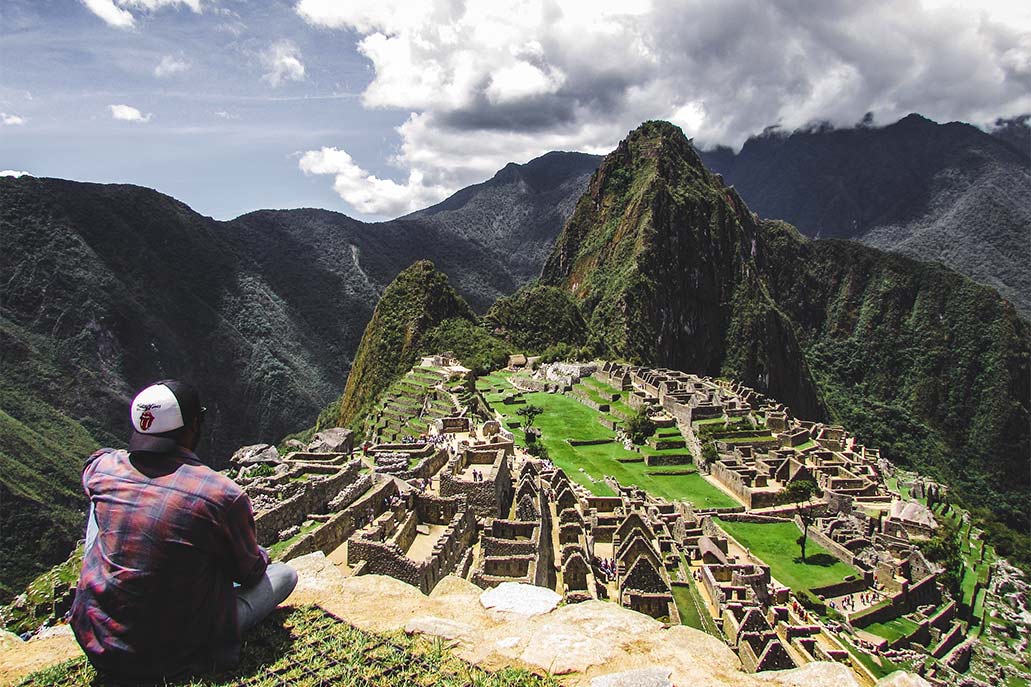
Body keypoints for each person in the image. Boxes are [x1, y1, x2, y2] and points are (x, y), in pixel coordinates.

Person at [70, 380, 297, 682]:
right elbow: (251, 573)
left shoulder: (103, 468)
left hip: (99, 640)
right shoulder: (221, 495)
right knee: (284, 575)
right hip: (182, 648)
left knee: (99, 506)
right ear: (193, 426)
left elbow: (93, 463)